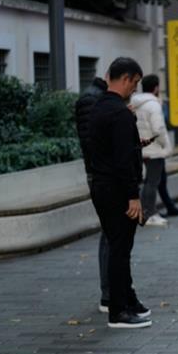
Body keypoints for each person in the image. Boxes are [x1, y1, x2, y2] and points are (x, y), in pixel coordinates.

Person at [87, 57, 151, 329]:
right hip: (116, 190)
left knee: (119, 245)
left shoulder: (99, 107)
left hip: (102, 186)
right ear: (125, 79)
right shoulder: (119, 113)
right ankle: (118, 310)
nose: (134, 90)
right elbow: (123, 160)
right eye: (134, 84)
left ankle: (127, 299)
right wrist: (133, 195)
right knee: (120, 248)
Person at [75, 75, 111, 312]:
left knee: (112, 233)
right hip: (102, 175)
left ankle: (112, 292)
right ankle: (108, 294)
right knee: (110, 232)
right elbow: (93, 142)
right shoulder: (91, 100)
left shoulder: (98, 98)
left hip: (104, 173)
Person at [131, 74, 173, 227]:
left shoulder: (136, 103)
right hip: (154, 149)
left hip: (142, 148)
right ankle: (149, 214)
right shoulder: (153, 105)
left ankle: (144, 212)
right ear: (156, 88)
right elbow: (158, 129)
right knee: (152, 183)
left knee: (148, 182)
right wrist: (164, 144)